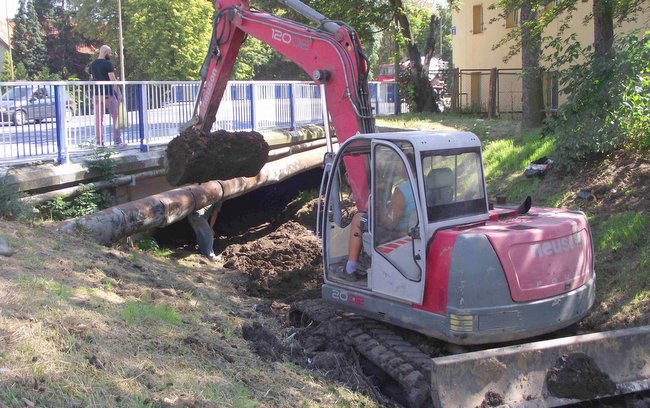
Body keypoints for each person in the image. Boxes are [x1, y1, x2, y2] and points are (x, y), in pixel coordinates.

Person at [335, 176, 416, 282]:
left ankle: (350, 269)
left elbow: (388, 223)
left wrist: (376, 209)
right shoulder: (426, 183)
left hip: (399, 235)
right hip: (415, 230)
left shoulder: (402, 190)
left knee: (358, 219)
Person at [90, 45, 124, 147]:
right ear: (105, 53)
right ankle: (117, 141)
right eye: (109, 53)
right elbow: (113, 80)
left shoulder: (93, 64)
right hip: (107, 94)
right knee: (116, 117)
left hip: (96, 94)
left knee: (98, 120)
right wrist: (119, 94)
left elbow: (93, 78)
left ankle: (99, 142)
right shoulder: (107, 64)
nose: (110, 55)